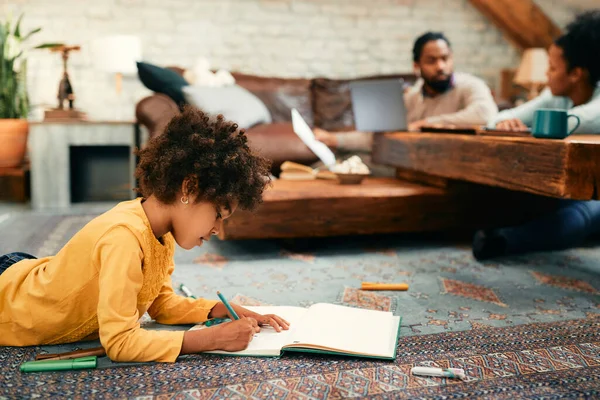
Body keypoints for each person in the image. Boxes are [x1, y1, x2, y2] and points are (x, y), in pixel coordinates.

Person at [0, 107, 289, 362]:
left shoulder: (160, 233)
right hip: (10, 301)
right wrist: (211, 340)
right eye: (217, 215)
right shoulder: (125, 238)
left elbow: (162, 305)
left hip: (33, 274)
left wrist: (222, 310)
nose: (217, 229)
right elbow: (120, 343)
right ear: (188, 188)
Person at [474, 10, 600, 261]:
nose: (546, 75)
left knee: (585, 213)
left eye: (552, 68)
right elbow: (495, 120)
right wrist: (507, 122)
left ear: (576, 74)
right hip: (570, 192)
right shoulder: (555, 97)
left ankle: (505, 240)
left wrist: (527, 128)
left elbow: (572, 122)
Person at [314, 31, 498, 175]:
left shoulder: (471, 85)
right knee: (333, 163)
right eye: (431, 61)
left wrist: (425, 124)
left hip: (448, 165)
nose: (441, 66)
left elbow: (485, 115)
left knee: (349, 165)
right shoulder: (412, 97)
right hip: (410, 162)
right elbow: (379, 136)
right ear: (416, 66)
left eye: (445, 58)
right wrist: (335, 139)